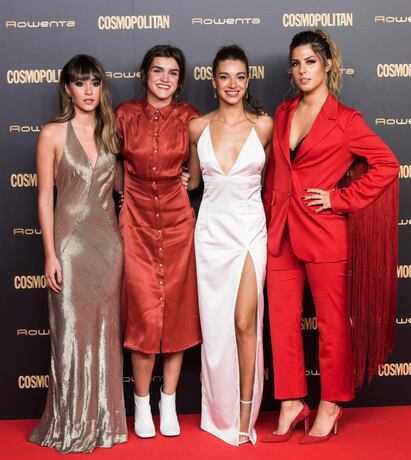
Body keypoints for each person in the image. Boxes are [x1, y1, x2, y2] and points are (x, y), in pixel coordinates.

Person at [262, 29, 399, 444]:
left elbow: (387, 165)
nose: (302, 70)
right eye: (296, 63)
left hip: (325, 234)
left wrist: (340, 198)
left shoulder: (347, 120)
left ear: (327, 66)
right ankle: (290, 401)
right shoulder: (284, 112)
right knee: (282, 321)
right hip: (282, 232)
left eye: (310, 62)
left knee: (332, 325)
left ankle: (331, 403)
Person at [29, 54, 128, 453]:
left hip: (109, 247)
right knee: (69, 335)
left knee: (106, 336)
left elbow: (125, 186)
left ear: (102, 88)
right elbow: (43, 199)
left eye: (94, 83)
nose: (88, 91)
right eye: (80, 83)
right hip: (69, 249)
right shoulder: (53, 133)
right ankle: (70, 423)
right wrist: (50, 254)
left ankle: (105, 421)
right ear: (67, 89)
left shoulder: (111, 131)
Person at [186, 45, 273, 446]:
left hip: (250, 233)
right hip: (211, 237)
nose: (233, 84)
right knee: (217, 330)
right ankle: (219, 414)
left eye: (240, 76)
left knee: (244, 322)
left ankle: (244, 415)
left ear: (248, 79)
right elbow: (191, 184)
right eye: (225, 76)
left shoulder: (264, 126)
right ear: (213, 80)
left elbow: (271, 181)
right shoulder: (197, 129)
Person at [114, 45, 202, 439]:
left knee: (179, 312)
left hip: (178, 222)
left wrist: (191, 180)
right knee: (144, 315)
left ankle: (169, 401)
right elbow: (113, 165)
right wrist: (124, 195)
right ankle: (142, 403)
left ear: (180, 80)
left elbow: (198, 174)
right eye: (157, 71)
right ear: (145, 75)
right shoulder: (124, 115)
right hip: (134, 222)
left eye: (172, 73)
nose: (164, 78)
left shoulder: (190, 118)